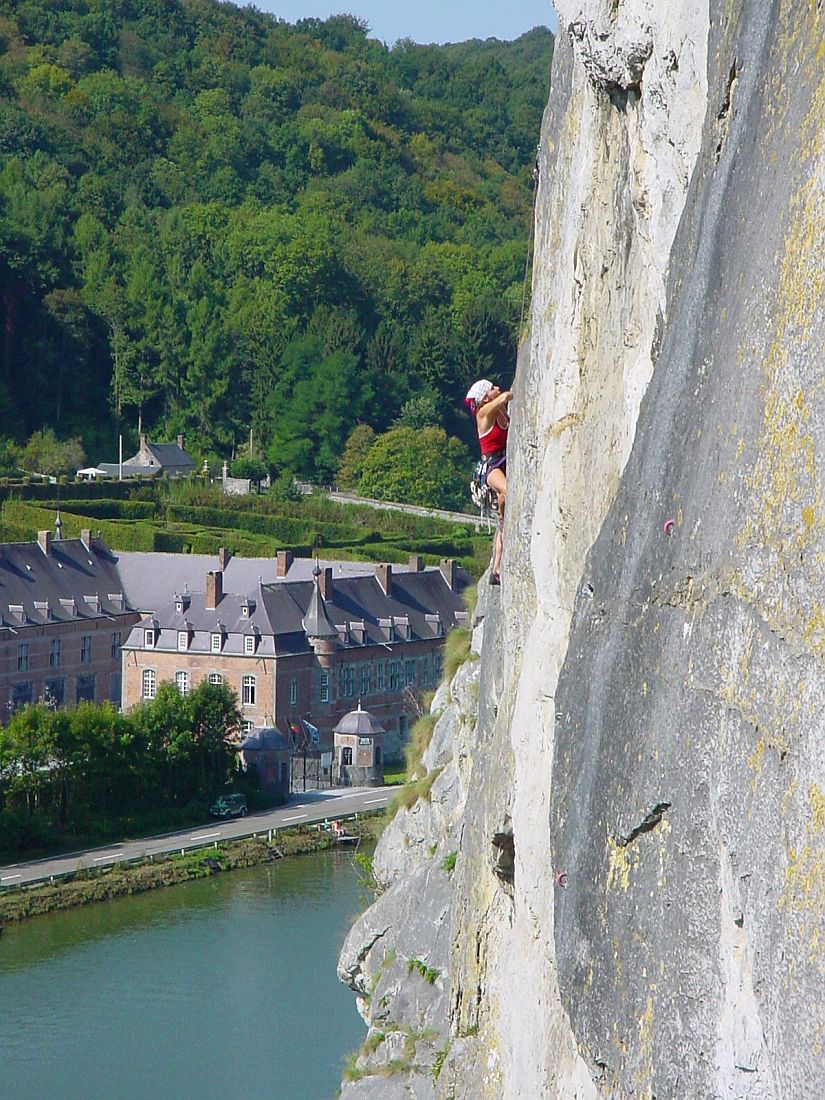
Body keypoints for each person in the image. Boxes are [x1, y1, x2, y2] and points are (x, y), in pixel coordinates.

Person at [465, 378, 513, 584]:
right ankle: (503, 520)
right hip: (491, 466)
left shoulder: (500, 411)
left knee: (505, 494)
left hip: (503, 459)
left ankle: (496, 569)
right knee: (507, 490)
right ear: (485, 397)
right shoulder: (482, 414)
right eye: (492, 388)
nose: (497, 388)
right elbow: (505, 396)